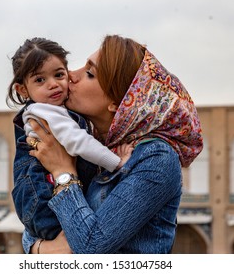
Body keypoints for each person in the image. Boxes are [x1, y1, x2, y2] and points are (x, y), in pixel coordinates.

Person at [24, 34, 203, 254]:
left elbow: (91, 247)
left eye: (89, 73)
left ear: (118, 102)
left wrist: (63, 172)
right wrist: (38, 249)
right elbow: (33, 216)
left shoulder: (156, 159)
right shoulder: (92, 148)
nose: (71, 75)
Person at [6, 37, 133, 241]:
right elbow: (79, 142)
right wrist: (117, 164)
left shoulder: (57, 110)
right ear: (22, 89)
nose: (53, 84)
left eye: (58, 75)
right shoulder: (45, 112)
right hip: (44, 201)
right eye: (40, 80)